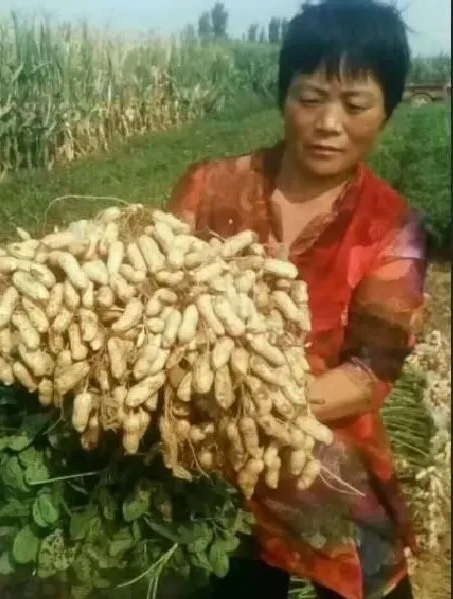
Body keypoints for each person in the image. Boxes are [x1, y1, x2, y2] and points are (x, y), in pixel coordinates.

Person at [167, 1, 427, 598]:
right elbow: (154, 293)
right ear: (284, 95)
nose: (328, 123)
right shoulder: (210, 186)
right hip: (203, 465)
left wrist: (246, 405)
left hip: (320, 463)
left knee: (363, 576)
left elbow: (367, 374)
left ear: (387, 110)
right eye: (310, 98)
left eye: (355, 104)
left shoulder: (391, 227)